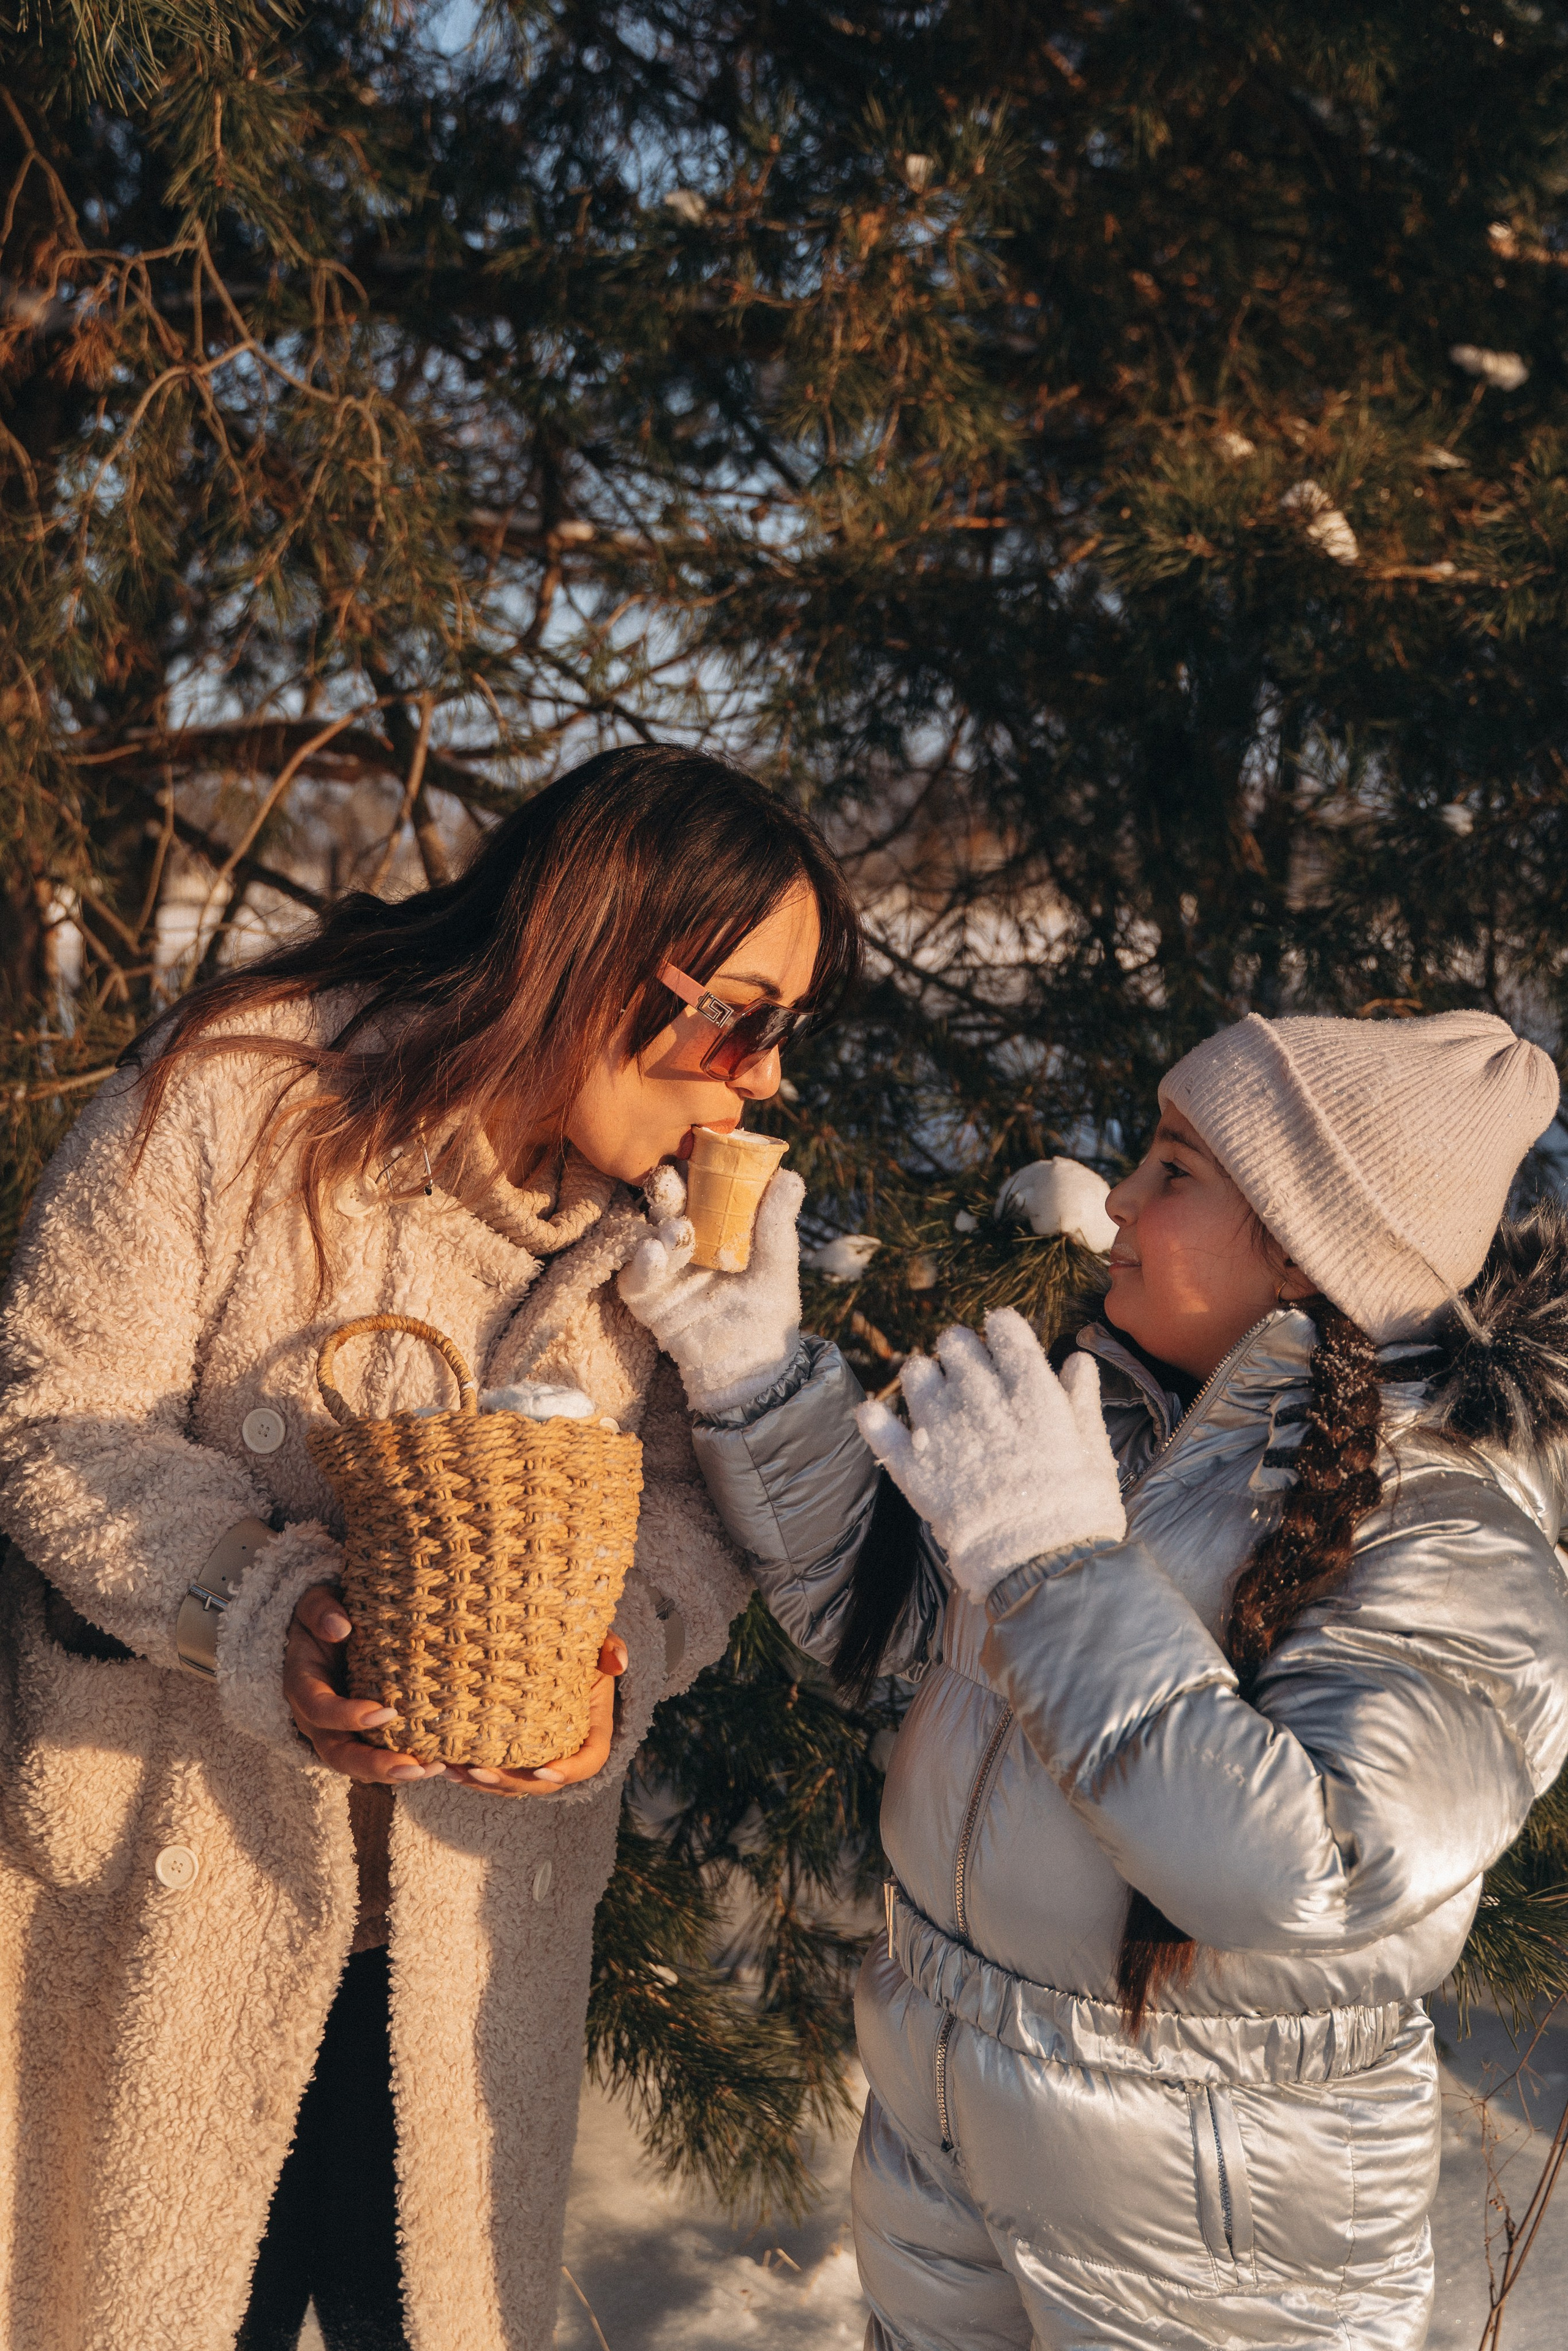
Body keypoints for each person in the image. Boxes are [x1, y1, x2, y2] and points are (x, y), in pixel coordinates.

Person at [0, 743, 859, 2351]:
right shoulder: (243, 1089)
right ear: (593, 943)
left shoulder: (680, 1234)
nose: (762, 1077)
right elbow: (53, 1404)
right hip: (170, 1906)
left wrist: (620, 1661)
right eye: (737, 1011)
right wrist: (259, 1608)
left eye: (787, 1030)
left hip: (463, 1947)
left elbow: (692, 1515)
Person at [620, 1007, 1568, 2349]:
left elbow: (1298, 1863)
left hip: (1218, 2230)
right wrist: (752, 1376)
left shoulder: (1450, 1535)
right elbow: (884, 1635)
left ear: (1307, 1247)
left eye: (1173, 1169)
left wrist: (1054, 1563)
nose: (1115, 1195)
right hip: (949, 2160)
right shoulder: (1115, 1420)